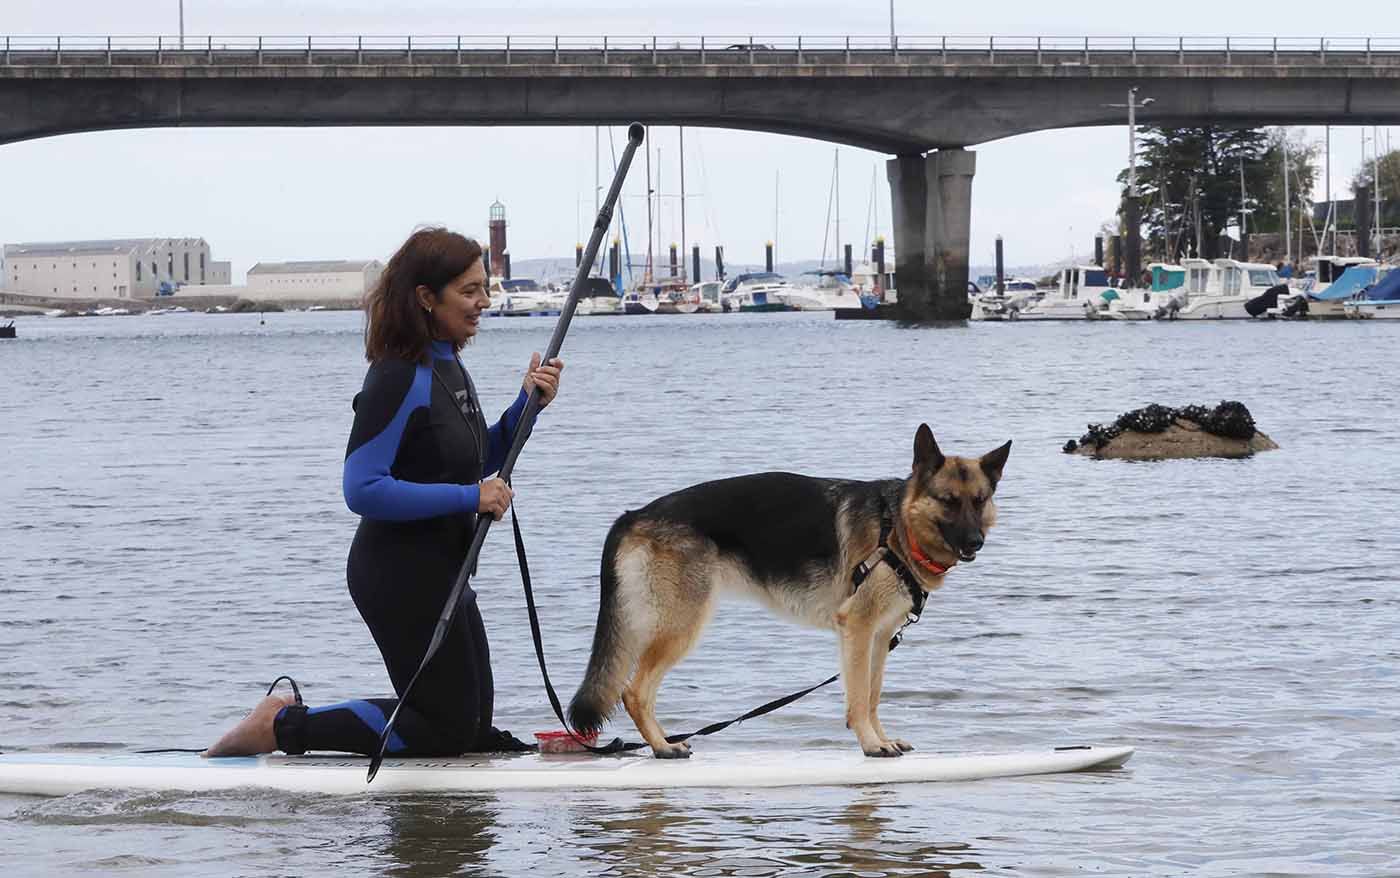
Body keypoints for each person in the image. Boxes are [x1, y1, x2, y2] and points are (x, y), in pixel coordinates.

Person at [205, 227, 563, 757]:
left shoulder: (448, 363)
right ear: (425, 297)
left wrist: (524, 408)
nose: (483, 301)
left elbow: (468, 461)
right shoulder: (398, 374)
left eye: (484, 287)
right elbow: (363, 487)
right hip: (397, 573)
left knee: (470, 726)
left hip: (446, 569)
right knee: (444, 730)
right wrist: (471, 498)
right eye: (468, 291)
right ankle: (280, 727)